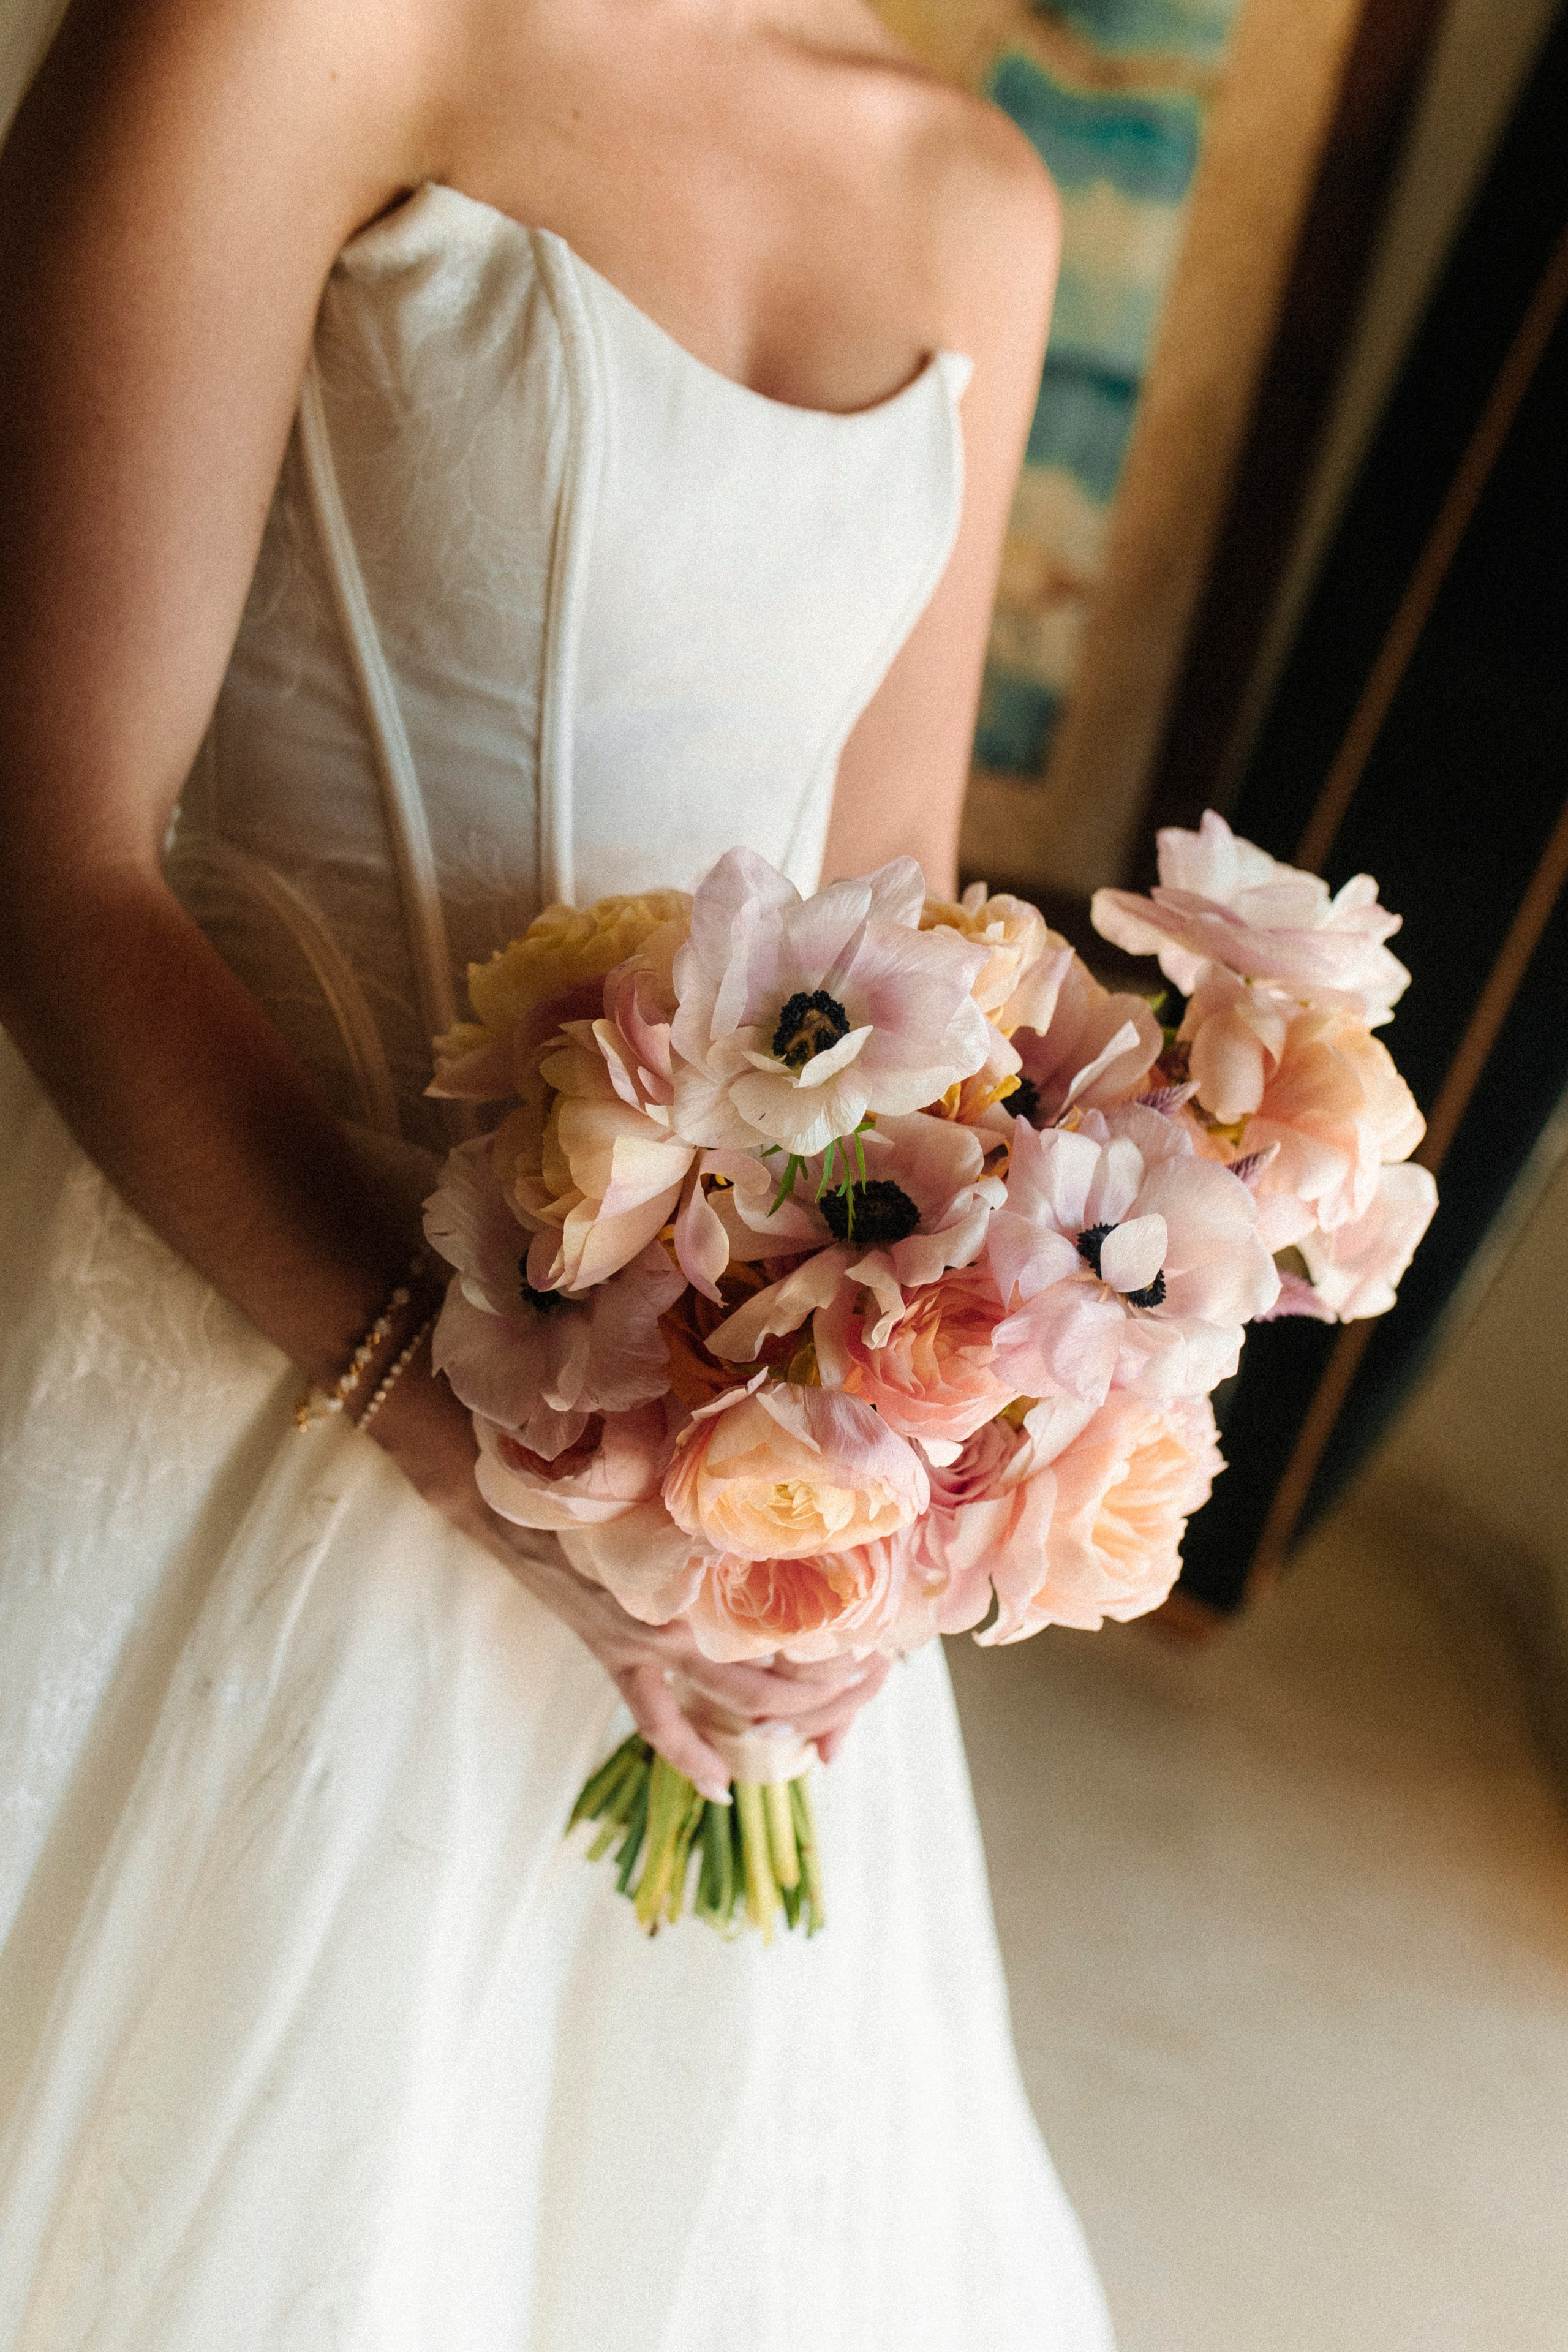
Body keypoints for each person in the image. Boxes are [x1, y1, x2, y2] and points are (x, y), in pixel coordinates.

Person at [0, 0, 1115, 2341]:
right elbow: (51, 852)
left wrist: (954, 1403)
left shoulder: (975, 200)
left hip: (707, 1476)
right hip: (223, 1325)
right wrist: (490, 1446)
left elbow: (896, 906)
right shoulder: (281, 33)